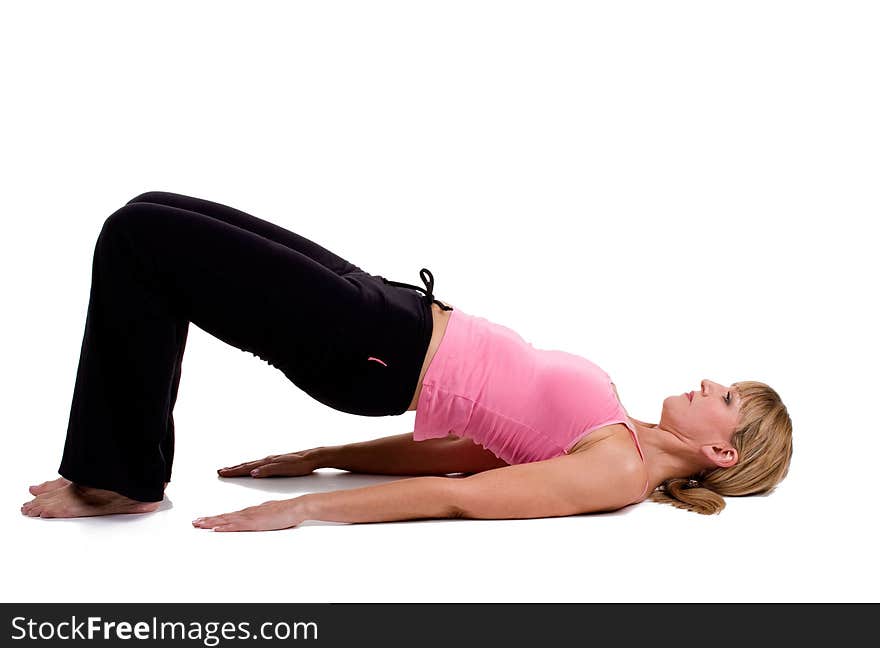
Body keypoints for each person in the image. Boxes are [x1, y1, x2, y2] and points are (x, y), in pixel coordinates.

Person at [22, 192, 793, 531]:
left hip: (377, 351)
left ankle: (123, 477)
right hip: (393, 312)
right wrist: (320, 459)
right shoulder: (615, 427)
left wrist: (305, 511)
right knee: (154, 210)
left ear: (721, 448)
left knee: (137, 238)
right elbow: (464, 449)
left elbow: (460, 495)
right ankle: (121, 464)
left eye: (722, 394)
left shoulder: (619, 472)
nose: (704, 383)